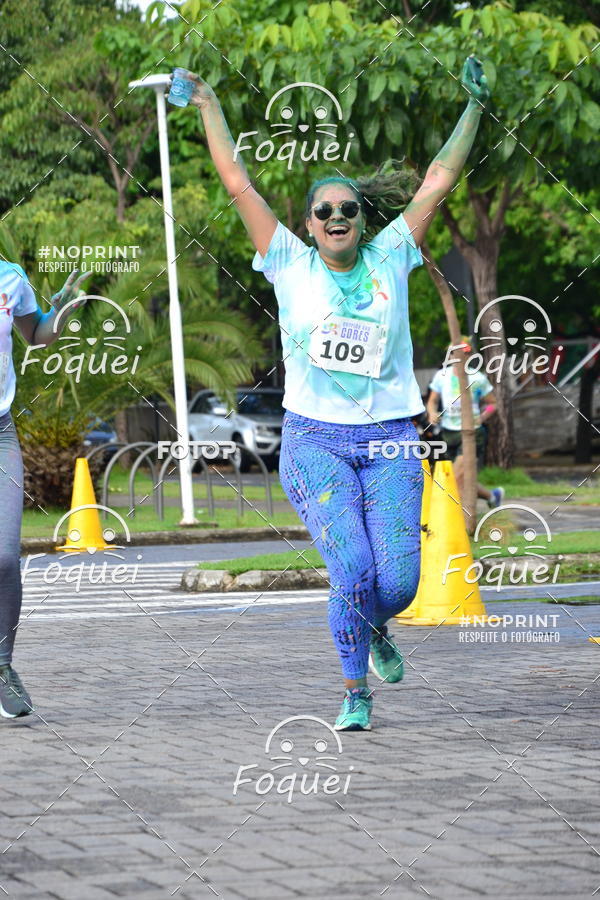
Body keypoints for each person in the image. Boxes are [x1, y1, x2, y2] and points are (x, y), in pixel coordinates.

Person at [185, 56, 490, 730]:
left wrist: (473, 108)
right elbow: (236, 180)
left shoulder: (391, 254)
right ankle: (355, 690)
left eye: (348, 207)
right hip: (314, 440)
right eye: (324, 209)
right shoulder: (288, 259)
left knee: (400, 584)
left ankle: (377, 627)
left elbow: (439, 180)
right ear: (310, 220)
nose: (336, 216)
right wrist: (209, 104)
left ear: (359, 217)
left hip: (389, 438)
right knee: (351, 566)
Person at [0, 266, 90, 718]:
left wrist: (59, 310)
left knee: (4, 557)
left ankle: (2, 666)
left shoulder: (8, 278)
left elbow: (36, 334)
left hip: (0, 433)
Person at [426, 337, 504, 507]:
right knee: (460, 478)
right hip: (448, 433)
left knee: (456, 476)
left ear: (469, 355)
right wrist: (432, 413)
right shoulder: (442, 376)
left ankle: (458, 520)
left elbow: (493, 403)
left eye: (465, 352)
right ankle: (492, 496)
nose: (460, 356)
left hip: (472, 432)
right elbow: (431, 401)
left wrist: (482, 417)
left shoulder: (477, 378)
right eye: (456, 352)